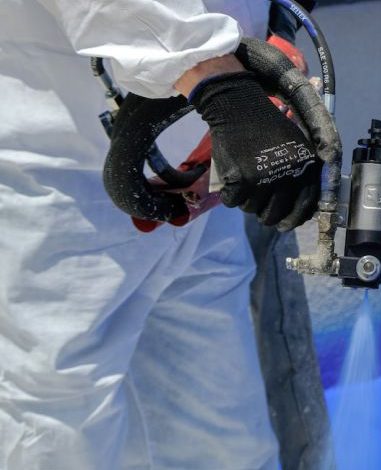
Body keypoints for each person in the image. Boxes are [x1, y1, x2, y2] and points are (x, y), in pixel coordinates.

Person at [0, 1, 329, 468]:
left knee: (222, 426)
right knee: (61, 424)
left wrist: (271, 27)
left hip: (197, 143)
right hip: (60, 169)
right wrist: (220, 85)